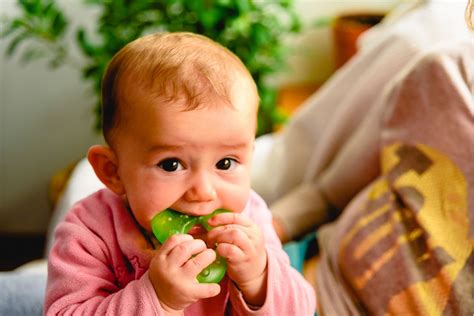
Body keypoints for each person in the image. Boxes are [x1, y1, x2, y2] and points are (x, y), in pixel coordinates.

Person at [44, 32, 315, 315]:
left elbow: (303, 309)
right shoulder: (89, 231)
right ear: (113, 172)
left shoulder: (250, 219)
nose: (203, 192)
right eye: (171, 165)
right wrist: (157, 299)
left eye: (225, 163)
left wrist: (259, 279)